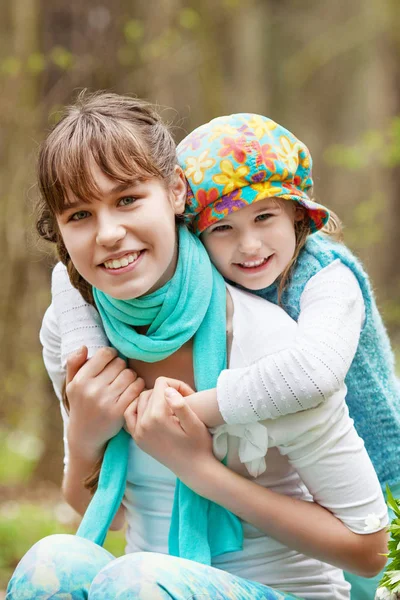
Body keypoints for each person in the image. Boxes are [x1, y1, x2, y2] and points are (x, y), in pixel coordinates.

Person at [6, 93, 388, 600]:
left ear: (176, 192)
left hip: (285, 591)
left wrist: (199, 469)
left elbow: (370, 549)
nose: (109, 233)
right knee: (50, 564)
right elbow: (110, 515)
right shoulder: (75, 332)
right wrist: (82, 437)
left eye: (127, 200)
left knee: (135, 579)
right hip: (145, 584)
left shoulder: (269, 345)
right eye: (80, 215)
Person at [175, 112, 400, 600]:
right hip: (303, 497)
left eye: (264, 218)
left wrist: (189, 413)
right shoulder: (212, 289)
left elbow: (314, 374)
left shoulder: (329, 278)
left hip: (382, 492)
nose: (249, 245)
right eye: (223, 229)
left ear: (297, 214)